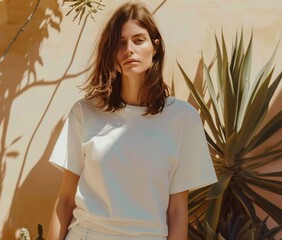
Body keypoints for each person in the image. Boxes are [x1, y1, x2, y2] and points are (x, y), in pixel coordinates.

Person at [47, 1, 217, 239]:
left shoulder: (182, 118)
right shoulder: (84, 112)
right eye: (120, 43)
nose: (129, 49)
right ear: (111, 54)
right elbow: (65, 201)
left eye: (138, 40)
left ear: (155, 47)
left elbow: (178, 210)